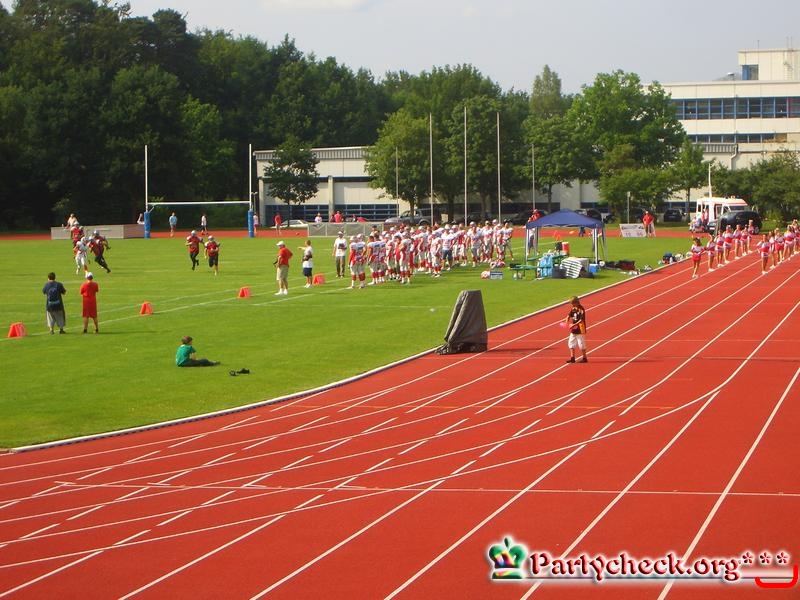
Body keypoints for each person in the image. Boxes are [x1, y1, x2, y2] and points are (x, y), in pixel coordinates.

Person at [564, 296, 588, 363]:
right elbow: (568, 316)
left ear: (576, 302)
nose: (572, 305)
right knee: (571, 343)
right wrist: (566, 322)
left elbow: (581, 320)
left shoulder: (581, 309)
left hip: (580, 329)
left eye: (573, 304)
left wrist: (574, 325)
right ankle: (572, 358)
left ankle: (584, 358)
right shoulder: (573, 309)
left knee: (581, 344)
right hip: (574, 329)